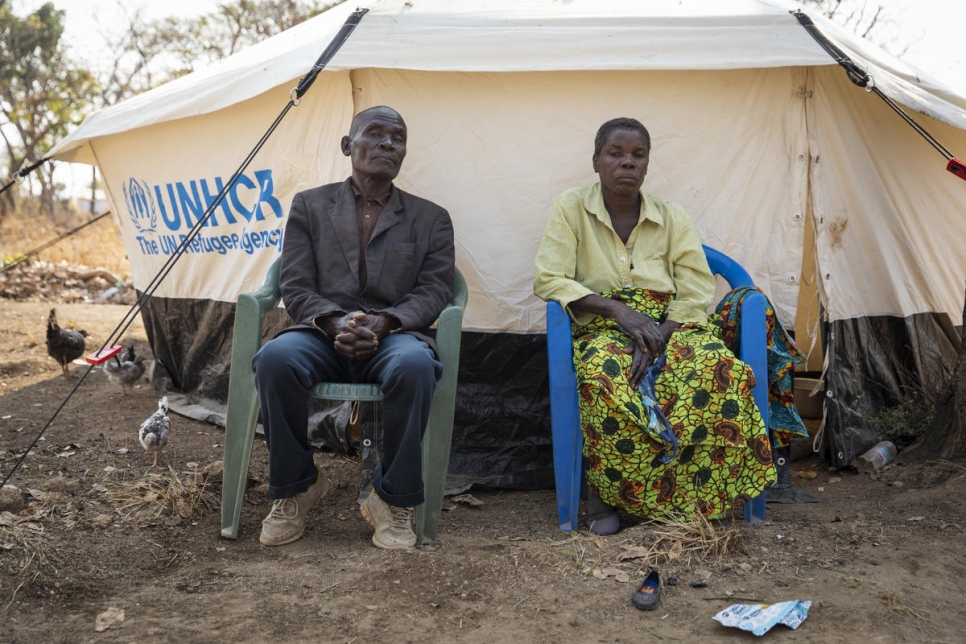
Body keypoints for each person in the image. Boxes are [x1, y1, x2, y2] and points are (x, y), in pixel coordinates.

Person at [534, 117, 775, 535]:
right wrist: (617, 311)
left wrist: (657, 336)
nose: (627, 163)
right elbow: (550, 278)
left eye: (637, 155)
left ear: (646, 165)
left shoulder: (671, 216)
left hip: (671, 326)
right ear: (596, 161)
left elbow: (697, 285)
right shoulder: (570, 208)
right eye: (616, 153)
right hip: (603, 325)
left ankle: (694, 497)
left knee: (717, 371)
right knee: (601, 376)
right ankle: (606, 497)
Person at [252, 106, 455, 551]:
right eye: (375, 134)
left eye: (397, 138)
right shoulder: (309, 205)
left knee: (416, 365)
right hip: (323, 333)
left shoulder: (431, 218)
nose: (387, 143)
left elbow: (436, 288)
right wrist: (333, 320)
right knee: (275, 359)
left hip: (394, 337)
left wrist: (387, 321)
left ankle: (392, 498)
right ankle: (296, 487)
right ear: (348, 145)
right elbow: (296, 283)